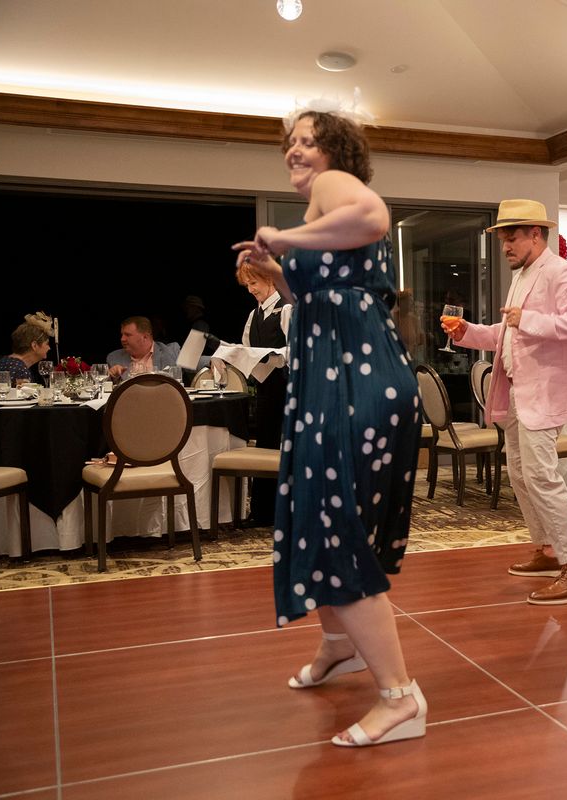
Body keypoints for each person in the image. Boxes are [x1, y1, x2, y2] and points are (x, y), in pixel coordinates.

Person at [232, 106, 424, 747]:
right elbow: (320, 297)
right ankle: (340, 644)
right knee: (319, 518)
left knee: (335, 530)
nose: (295, 150)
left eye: (308, 141)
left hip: (354, 384)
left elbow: (373, 216)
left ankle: (400, 698)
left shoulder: (334, 186)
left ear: (335, 151)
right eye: (290, 142)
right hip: (338, 381)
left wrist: (283, 237)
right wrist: (278, 272)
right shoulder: (320, 210)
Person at [442, 199, 567, 605]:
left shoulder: (560, 271)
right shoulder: (524, 275)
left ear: (535, 234)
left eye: (511, 238)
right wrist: (467, 331)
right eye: (502, 239)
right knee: (520, 474)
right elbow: (507, 333)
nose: (505, 246)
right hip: (519, 392)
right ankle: (548, 550)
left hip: (545, 393)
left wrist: (526, 320)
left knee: (542, 478)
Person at [212, 262, 293, 525]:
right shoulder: (253, 315)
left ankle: (283, 512)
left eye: (254, 283)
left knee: (282, 448)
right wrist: (228, 354)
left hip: (287, 389)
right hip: (265, 390)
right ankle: (262, 512)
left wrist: (272, 355)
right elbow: (248, 350)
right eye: (247, 285)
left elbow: (297, 350)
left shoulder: (287, 308)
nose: (250, 290)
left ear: (269, 279)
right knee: (265, 446)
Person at [105, 316, 182, 380]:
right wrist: (111, 376)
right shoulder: (114, 358)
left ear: (145, 337)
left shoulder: (172, 351)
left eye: (128, 335)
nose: (122, 339)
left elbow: (189, 373)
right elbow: (104, 385)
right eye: (122, 335)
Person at [0, 318, 51, 385]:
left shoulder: (6, 361)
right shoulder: (19, 370)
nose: (49, 348)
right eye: (47, 344)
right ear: (34, 345)